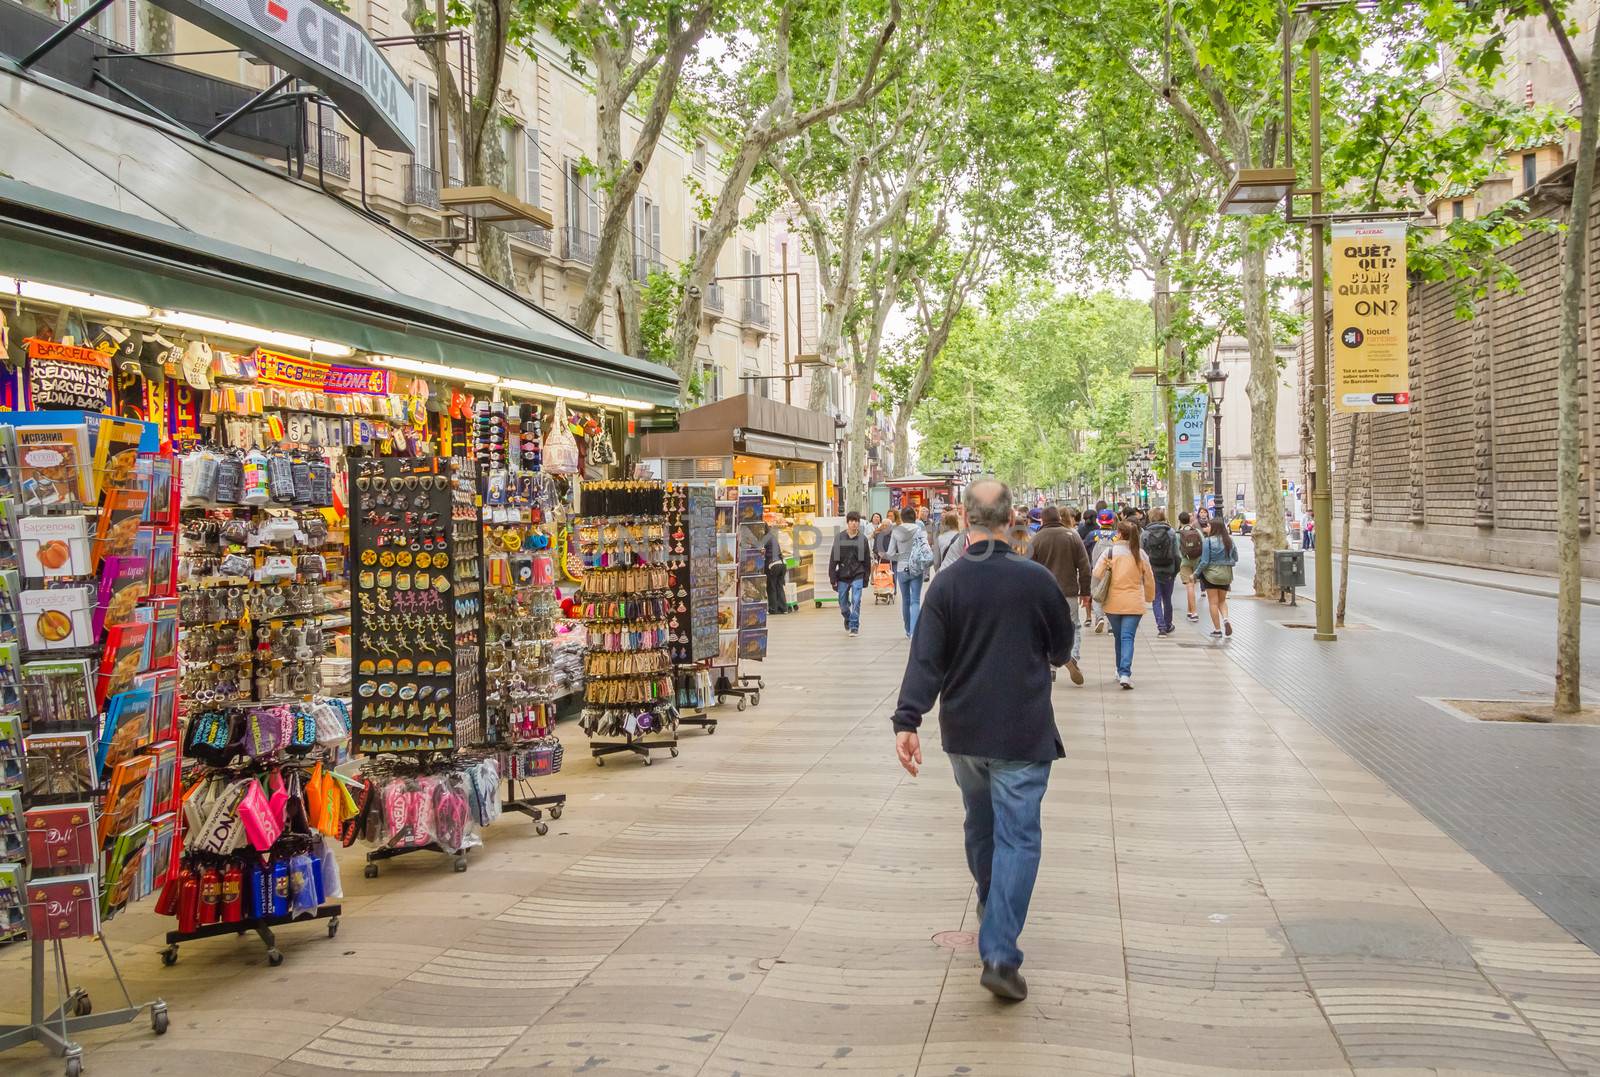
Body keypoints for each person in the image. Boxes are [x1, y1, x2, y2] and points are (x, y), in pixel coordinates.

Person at [891, 478, 1072, 1002]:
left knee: (981, 824)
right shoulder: (1035, 580)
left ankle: (994, 906)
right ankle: (998, 950)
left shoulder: (946, 586)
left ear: (963, 516)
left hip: (965, 734)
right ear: (1012, 517)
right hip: (1022, 731)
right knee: (1018, 837)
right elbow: (1061, 649)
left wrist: (908, 721)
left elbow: (926, 660)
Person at [1029, 505, 1091, 685]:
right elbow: (1085, 567)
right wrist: (1085, 591)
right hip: (1069, 591)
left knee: (1048, 629)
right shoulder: (1072, 536)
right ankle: (1073, 657)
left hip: (1045, 594)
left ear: (1043, 520)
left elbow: (1029, 569)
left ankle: (1052, 665)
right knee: (1074, 626)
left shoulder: (1037, 539)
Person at [1092, 519, 1156, 689]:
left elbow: (1097, 573)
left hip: (1113, 601)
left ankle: (1120, 670)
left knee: (1119, 637)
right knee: (1128, 637)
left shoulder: (1110, 553)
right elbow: (1149, 579)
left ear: (1119, 534)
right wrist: (1149, 597)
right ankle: (1125, 673)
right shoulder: (1140, 554)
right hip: (1134, 602)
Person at [885, 507, 932, 638]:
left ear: (902, 517)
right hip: (916, 567)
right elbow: (925, 547)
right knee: (915, 600)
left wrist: (901, 557)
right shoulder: (919, 529)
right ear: (914, 516)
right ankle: (914, 631)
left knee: (905, 600)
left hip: (901, 568)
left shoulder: (895, 531)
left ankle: (907, 629)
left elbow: (890, 553)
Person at [828, 511, 872, 636]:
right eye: (851, 521)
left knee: (856, 600)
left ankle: (854, 626)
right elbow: (833, 558)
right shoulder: (840, 537)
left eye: (856, 521)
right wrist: (832, 577)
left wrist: (866, 578)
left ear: (859, 523)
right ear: (847, 523)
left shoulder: (862, 539)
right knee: (842, 603)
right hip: (842, 574)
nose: (853, 523)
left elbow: (867, 560)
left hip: (858, 573)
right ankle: (847, 617)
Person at [1196, 517, 1239, 638]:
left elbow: (1204, 562)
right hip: (1226, 575)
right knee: (1222, 601)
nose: (1206, 528)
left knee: (1213, 603)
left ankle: (1217, 629)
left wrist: (1195, 574)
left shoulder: (1208, 541)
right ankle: (1226, 619)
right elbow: (1235, 558)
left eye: (1208, 526)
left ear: (1214, 528)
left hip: (1211, 575)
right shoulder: (1229, 540)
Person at [1141, 508, 1179, 636]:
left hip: (1153, 570)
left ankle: (1161, 626)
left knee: (1156, 599)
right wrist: (1175, 571)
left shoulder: (1145, 534)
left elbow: (1142, 555)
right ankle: (1168, 624)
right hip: (1169, 569)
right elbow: (1177, 555)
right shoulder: (1171, 532)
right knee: (1167, 599)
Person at [1084, 509, 1118, 632]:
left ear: (1098, 520)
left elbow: (1084, 549)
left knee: (1096, 593)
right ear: (1112, 520)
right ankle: (1111, 624)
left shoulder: (1093, 535)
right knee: (1111, 595)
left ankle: (1099, 617)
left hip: (1096, 569)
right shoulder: (1117, 535)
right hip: (1113, 570)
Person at [1176, 510, 1203, 622]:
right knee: (1192, 586)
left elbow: (1177, 551)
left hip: (1185, 562)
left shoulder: (1178, 534)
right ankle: (1189, 610)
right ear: (1190, 519)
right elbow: (1203, 544)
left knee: (1189, 586)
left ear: (1179, 521)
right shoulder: (1197, 531)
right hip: (1197, 561)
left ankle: (1194, 613)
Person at [762, 522, 788, 615]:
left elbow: (758, 549)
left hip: (773, 565)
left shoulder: (765, 538)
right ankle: (783, 608)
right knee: (779, 586)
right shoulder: (772, 536)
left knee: (771, 587)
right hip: (782, 564)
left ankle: (773, 609)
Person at [933, 510, 968, 574]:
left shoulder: (939, 538)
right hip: (959, 572)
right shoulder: (963, 537)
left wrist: (938, 573)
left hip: (944, 572)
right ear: (957, 522)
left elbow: (936, 562)